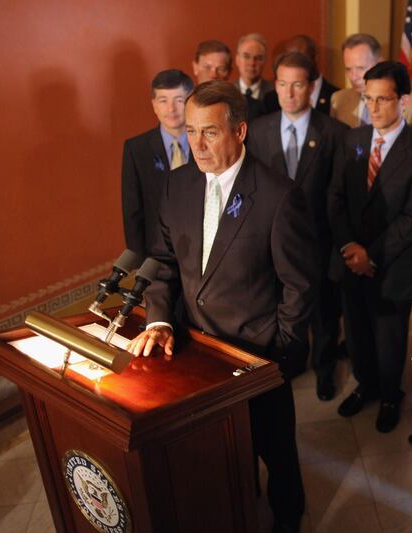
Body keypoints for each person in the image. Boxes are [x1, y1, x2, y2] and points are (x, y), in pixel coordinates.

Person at [126, 80, 318, 533]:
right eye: (191, 130)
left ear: (241, 131)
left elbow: (299, 285)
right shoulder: (176, 185)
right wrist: (159, 319)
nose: (197, 143)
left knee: (277, 455)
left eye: (210, 132)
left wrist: (283, 351)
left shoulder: (277, 195)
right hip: (197, 354)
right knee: (225, 452)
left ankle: (288, 520)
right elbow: (164, 260)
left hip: (258, 357)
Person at [328, 61, 412, 433]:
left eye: (383, 99)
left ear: (403, 101)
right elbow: (336, 197)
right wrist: (349, 247)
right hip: (349, 258)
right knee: (356, 332)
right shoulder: (352, 140)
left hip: (392, 265)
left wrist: (370, 254)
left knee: (389, 339)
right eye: (367, 99)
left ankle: (391, 395)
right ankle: (367, 386)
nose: (373, 108)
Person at [246, 51, 348, 401]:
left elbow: (339, 197)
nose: (289, 93)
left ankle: (324, 368)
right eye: (283, 84)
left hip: (319, 243)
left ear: (313, 86)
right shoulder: (257, 131)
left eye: (298, 85)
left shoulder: (335, 133)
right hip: (272, 246)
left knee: (323, 313)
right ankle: (288, 365)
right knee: (281, 309)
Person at [122, 69, 194, 257]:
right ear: (154, 105)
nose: (171, 109)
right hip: (159, 253)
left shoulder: (208, 142)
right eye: (163, 101)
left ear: (190, 101)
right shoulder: (137, 149)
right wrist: (138, 263)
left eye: (179, 100)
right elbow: (133, 212)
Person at [330, 33, 412, 134]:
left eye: (360, 68)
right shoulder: (338, 100)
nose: (353, 77)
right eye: (348, 69)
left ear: (379, 63)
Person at [262, 35, 340, 115]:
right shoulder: (271, 99)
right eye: (291, 58)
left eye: (302, 59)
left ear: (315, 58)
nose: (296, 64)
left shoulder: (337, 97)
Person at [192, 39, 264, 119]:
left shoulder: (247, 107)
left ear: (229, 72)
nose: (213, 75)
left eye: (221, 69)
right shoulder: (181, 103)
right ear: (195, 68)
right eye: (207, 67)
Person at [234, 33, 274, 101]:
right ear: (237, 59)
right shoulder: (226, 93)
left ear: (264, 61)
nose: (252, 63)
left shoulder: (275, 93)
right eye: (246, 56)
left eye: (258, 58)